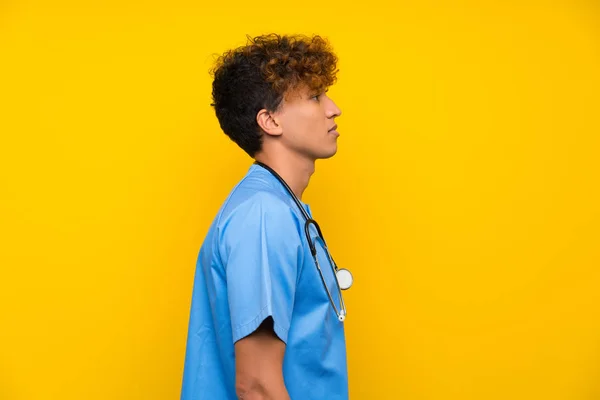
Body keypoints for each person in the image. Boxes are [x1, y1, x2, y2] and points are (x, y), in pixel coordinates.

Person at [181, 33, 348, 400]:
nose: (333, 108)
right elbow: (256, 385)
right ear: (270, 121)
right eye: (315, 97)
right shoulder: (263, 216)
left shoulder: (280, 208)